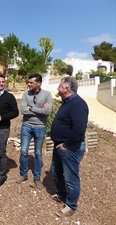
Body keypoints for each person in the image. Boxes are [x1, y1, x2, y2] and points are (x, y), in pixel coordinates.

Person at [50, 76, 89, 217]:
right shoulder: (67, 102)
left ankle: (71, 206)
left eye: (59, 86)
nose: (57, 88)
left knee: (71, 178)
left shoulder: (78, 104)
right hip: (60, 146)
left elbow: (79, 129)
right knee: (55, 171)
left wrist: (66, 144)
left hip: (70, 147)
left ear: (66, 88)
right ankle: (62, 195)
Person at [15, 74, 52, 189]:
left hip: (40, 127)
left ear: (39, 83)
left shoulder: (47, 95)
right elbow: (23, 111)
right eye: (28, 82)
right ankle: (24, 174)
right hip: (26, 126)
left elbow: (47, 112)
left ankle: (37, 178)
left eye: (31, 82)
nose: (29, 84)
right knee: (24, 151)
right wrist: (39, 110)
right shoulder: (26, 94)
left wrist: (32, 108)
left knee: (38, 153)